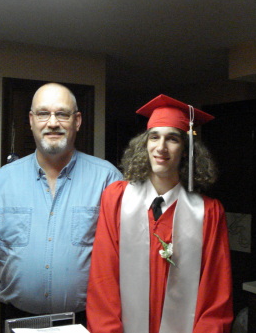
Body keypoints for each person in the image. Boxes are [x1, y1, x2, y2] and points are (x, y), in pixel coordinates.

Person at [0, 83, 122, 333]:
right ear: (31, 120)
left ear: (77, 121)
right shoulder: (2, 181)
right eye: (43, 113)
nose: (53, 122)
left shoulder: (108, 179)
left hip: (89, 320)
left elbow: (128, 256)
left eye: (62, 114)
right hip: (17, 318)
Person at [86, 94, 233, 333]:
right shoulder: (117, 199)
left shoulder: (208, 213)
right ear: (145, 144)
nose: (161, 147)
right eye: (154, 137)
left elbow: (216, 294)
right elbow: (103, 280)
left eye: (172, 139)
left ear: (186, 150)